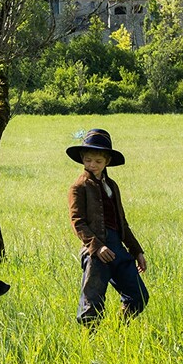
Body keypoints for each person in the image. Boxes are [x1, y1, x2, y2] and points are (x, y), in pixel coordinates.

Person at [66, 128, 149, 327]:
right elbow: (78, 221)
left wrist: (136, 251)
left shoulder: (112, 185)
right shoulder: (78, 187)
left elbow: (122, 222)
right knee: (91, 303)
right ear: (82, 159)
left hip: (118, 249)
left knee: (138, 296)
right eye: (88, 160)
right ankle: (90, 342)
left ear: (107, 162)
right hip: (96, 252)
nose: (92, 165)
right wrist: (97, 246)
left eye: (98, 161)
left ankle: (120, 329)